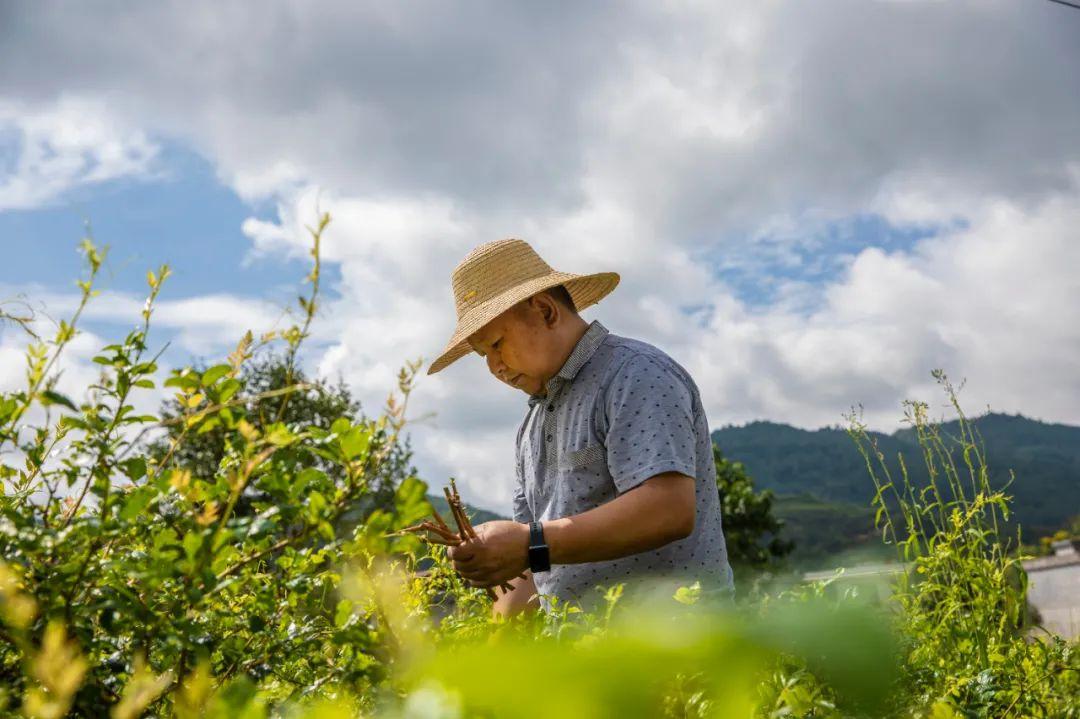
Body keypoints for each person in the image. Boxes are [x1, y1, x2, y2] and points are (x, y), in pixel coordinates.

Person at [427, 238, 732, 616]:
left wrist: (529, 543)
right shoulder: (531, 427)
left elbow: (668, 508)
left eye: (496, 344)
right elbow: (533, 569)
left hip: (677, 651)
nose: (494, 367)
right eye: (483, 355)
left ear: (544, 310)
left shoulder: (635, 374)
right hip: (586, 659)